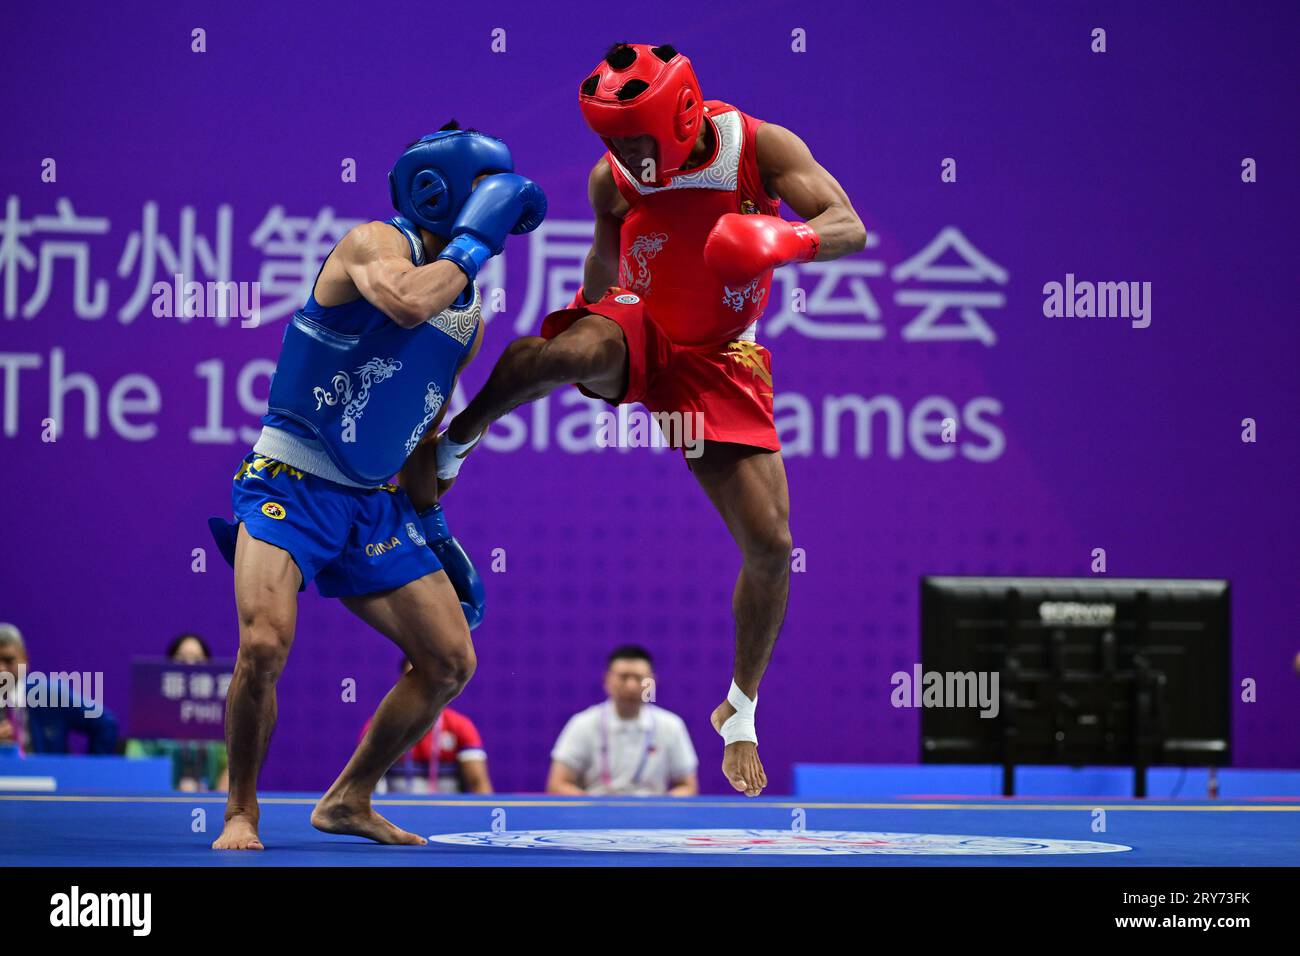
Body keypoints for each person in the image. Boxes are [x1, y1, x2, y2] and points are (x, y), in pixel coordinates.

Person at [435, 45, 866, 796]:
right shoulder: (615, 177)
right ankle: (457, 441)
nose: (625, 153)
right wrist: (588, 330)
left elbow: (848, 225)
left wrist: (785, 238)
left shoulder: (760, 146)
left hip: (722, 359)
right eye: (612, 138)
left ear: (684, 112)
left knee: (771, 547)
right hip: (642, 327)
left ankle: (739, 710)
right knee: (550, 356)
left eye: (637, 136)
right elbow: (604, 265)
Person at [204, 122, 545, 849]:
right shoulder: (371, 244)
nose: (495, 220)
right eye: (486, 198)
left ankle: (347, 799)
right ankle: (240, 809)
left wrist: (437, 530)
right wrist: (473, 241)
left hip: (373, 503)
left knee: (451, 661)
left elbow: (419, 433)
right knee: (263, 646)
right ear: (442, 192)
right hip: (287, 482)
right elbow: (403, 302)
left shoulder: (469, 317)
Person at [547, 645, 697, 796]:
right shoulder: (582, 724)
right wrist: (593, 807)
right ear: (607, 680)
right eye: (623, 677)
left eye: (639, 678)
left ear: (651, 683)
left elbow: (688, 786)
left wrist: (660, 807)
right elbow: (557, 784)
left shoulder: (671, 725)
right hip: (595, 813)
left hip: (652, 814)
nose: (631, 686)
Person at [363, 659, 492, 795]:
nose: (421, 689)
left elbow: (478, 784)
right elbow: (364, 786)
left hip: (448, 813)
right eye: (413, 681)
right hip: (392, 814)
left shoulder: (460, 726)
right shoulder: (380, 727)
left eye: (427, 680)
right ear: (400, 685)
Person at [124, 632, 229, 791]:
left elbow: (232, 766)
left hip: (211, 806)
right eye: (181, 658)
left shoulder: (218, 714)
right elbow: (137, 766)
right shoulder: (149, 714)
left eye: (198, 659)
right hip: (161, 805)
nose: (190, 665)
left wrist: (218, 800)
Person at [0, 622, 119, 756]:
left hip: (48, 775)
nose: (1, 669)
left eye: (8, 660)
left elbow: (105, 723)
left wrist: (93, 769)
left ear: (25, 660)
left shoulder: (51, 696)